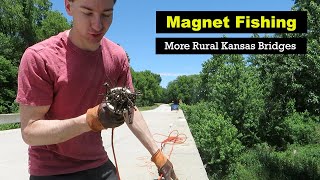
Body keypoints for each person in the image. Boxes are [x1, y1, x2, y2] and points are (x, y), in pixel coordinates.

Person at [16, 0, 178, 179]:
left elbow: (129, 108)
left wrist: (158, 155)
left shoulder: (117, 57)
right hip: (51, 170)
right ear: (69, 7)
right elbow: (30, 133)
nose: (98, 25)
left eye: (107, 14)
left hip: (97, 161)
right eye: (87, 12)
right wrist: (90, 120)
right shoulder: (39, 57)